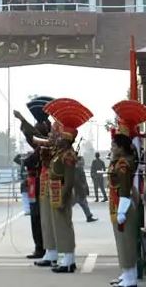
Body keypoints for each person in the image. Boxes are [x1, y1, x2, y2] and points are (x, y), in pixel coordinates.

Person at [108, 100, 146, 287]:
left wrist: (122, 209)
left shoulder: (123, 163)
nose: (112, 149)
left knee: (126, 241)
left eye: (114, 146)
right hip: (120, 202)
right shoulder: (121, 160)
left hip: (123, 203)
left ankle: (130, 278)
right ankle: (127, 274)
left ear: (121, 147)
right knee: (122, 241)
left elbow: (125, 187)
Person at [46, 98, 93, 274]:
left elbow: (70, 180)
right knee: (60, 225)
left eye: (60, 138)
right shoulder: (61, 153)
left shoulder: (68, 155)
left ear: (67, 140)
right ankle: (67, 259)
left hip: (63, 193)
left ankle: (68, 260)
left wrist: (63, 197)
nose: (57, 140)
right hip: (57, 192)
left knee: (64, 225)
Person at [14, 96, 54, 262]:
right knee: (37, 217)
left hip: (40, 184)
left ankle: (42, 248)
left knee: (38, 217)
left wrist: (23, 120)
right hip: (35, 184)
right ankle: (42, 248)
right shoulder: (43, 146)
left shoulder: (45, 147)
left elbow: (33, 139)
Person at [73, 156, 98, 222]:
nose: (83, 161)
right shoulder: (78, 168)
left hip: (79, 190)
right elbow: (78, 180)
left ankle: (89, 216)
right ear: (78, 161)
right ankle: (89, 216)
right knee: (80, 203)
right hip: (78, 190)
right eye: (82, 160)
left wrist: (86, 189)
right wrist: (82, 188)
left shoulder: (79, 168)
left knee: (83, 203)